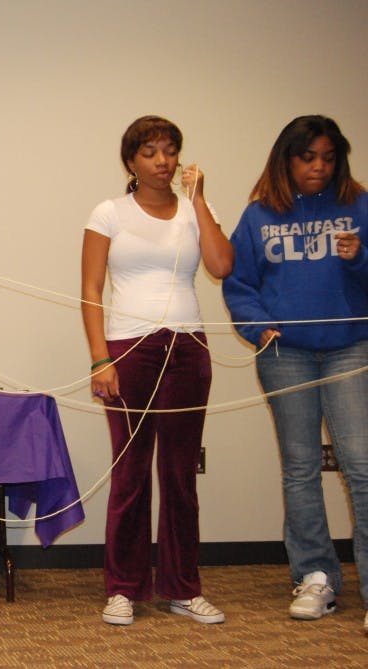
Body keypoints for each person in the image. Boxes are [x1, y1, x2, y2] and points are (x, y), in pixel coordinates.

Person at [81, 116, 234, 626]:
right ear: (131, 162)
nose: (163, 161)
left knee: (179, 474)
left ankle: (183, 588)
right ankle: (123, 588)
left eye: (170, 150)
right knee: (129, 473)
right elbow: (91, 289)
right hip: (128, 349)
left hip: (188, 347)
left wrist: (199, 202)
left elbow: (220, 265)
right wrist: (100, 358)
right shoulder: (109, 213)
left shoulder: (196, 209)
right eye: (150, 152)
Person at [222, 115, 368, 635]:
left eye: (328, 158)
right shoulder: (260, 214)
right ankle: (315, 576)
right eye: (309, 158)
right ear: (288, 159)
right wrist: (258, 327)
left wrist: (359, 258)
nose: (319, 168)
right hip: (285, 353)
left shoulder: (359, 204)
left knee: (362, 464)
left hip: (350, 347)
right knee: (301, 467)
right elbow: (239, 281)